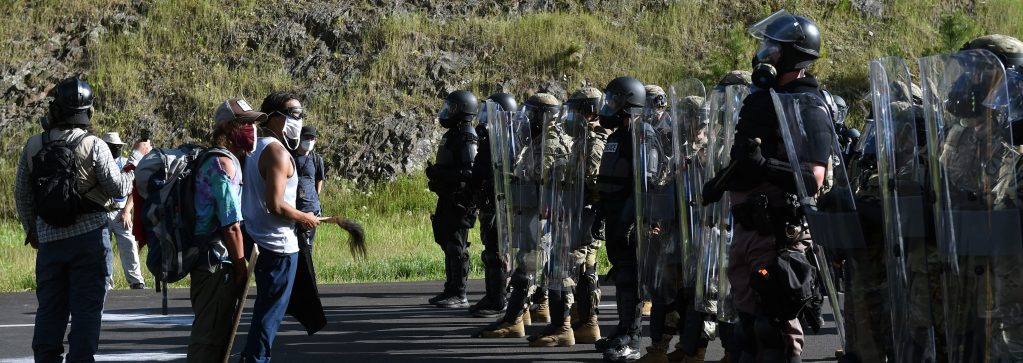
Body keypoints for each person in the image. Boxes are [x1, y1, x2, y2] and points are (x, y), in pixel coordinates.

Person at [704, 10, 830, 362]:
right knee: (744, 332)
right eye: (766, 46)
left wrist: (766, 165)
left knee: (773, 330)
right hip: (744, 229)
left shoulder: (809, 105)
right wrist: (722, 181)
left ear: (793, 55)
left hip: (776, 231)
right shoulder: (762, 99)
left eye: (773, 48)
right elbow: (746, 156)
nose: (764, 53)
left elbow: (812, 179)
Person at [15, 77, 135, 362]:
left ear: (56, 110)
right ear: (87, 112)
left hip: (49, 241)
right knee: (86, 310)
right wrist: (134, 168)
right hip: (90, 239)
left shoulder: (34, 145)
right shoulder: (94, 145)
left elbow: (22, 194)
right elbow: (118, 189)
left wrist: (32, 229)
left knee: (50, 309)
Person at [241, 92, 320, 362]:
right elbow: (275, 205)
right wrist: (304, 217)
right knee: (270, 312)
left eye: (301, 114)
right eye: (293, 114)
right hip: (277, 244)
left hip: (257, 237)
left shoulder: (254, 147)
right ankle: (257, 358)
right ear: (274, 118)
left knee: (268, 307)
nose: (298, 120)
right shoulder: (275, 151)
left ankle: (253, 355)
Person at [475, 92, 562, 339]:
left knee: (526, 272)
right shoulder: (536, 140)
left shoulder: (551, 144)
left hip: (541, 218)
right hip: (527, 214)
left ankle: (514, 321)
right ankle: (517, 317)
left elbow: (544, 182)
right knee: (523, 270)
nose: (528, 118)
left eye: (533, 114)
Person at [188, 98, 263, 362]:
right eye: (247, 123)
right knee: (208, 339)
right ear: (230, 127)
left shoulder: (226, 161)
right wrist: (242, 267)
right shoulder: (224, 165)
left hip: (212, 262)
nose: (253, 129)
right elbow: (231, 225)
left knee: (217, 335)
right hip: (216, 264)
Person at [593, 76, 647, 362]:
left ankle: (634, 338)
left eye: (614, 100)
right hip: (613, 214)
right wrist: (601, 212)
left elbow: (646, 184)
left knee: (631, 277)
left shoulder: (642, 137)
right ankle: (623, 328)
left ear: (629, 104)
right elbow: (609, 180)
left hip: (631, 219)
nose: (609, 106)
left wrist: (635, 219)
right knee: (621, 275)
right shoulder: (615, 138)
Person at [426, 90, 479, 309]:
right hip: (447, 197)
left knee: (457, 246)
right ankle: (450, 288)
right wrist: (437, 174)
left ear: (462, 110)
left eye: (452, 107)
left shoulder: (467, 136)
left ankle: (460, 293)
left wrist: (443, 175)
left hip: (460, 199)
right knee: (446, 242)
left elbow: (469, 172)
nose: (448, 112)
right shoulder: (453, 134)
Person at [469, 92, 517, 318]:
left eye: (490, 112)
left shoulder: (502, 140)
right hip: (493, 201)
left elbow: (480, 170)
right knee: (492, 251)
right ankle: (493, 296)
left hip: (498, 202)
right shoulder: (501, 138)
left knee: (496, 253)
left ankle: (498, 300)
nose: (485, 117)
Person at [100, 132, 146, 290]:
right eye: (113, 146)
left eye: (118, 146)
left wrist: (127, 210)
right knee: (103, 249)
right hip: (103, 211)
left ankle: (136, 280)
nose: (116, 149)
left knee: (129, 244)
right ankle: (107, 282)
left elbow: (134, 188)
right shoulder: (100, 163)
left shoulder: (127, 163)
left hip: (121, 211)